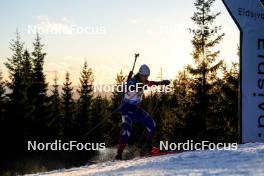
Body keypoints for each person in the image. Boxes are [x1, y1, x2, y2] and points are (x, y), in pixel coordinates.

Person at [115, 64, 170, 160]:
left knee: (151, 124)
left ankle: (147, 148)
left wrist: (161, 83)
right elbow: (128, 87)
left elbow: (151, 83)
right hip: (126, 109)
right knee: (126, 131)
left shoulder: (143, 81)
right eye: (144, 76)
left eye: (147, 76)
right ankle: (119, 154)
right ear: (140, 74)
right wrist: (136, 87)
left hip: (135, 109)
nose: (145, 78)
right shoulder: (132, 81)